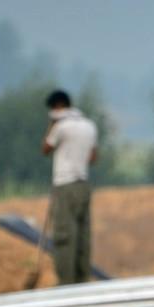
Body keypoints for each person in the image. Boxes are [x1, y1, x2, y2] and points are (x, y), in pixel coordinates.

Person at [41, 89, 98, 284]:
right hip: (83, 185)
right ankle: (82, 281)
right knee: (83, 237)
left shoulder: (61, 127)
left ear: (57, 106)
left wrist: (53, 123)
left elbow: (45, 149)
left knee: (65, 237)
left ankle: (66, 284)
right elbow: (93, 157)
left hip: (65, 185)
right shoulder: (89, 126)